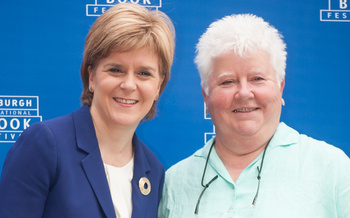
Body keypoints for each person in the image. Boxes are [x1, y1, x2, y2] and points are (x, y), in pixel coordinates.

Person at [158, 14, 350, 218]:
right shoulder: (174, 182)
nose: (243, 93)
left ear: (280, 86)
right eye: (227, 82)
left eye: (257, 79)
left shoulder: (332, 168)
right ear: (206, 95)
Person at [0, 3, 175, 218]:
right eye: (115, 70)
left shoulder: (153, 171)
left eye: (144, 73)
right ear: (92, 77)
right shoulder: (45, 145)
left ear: (158, 86)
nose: (129, 85)